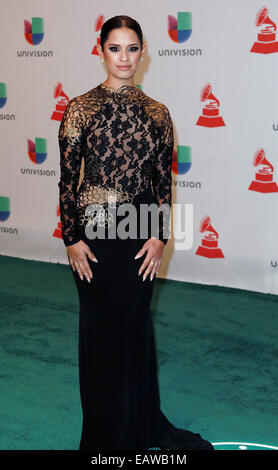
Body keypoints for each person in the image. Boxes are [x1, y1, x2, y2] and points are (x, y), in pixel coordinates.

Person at [58, 15, 214, 450]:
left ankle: (138, 427)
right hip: (93, 232)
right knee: (101, 330)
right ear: (101, 50)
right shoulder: (80, 108)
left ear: (143, 52)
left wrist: (159, 235)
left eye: (131, 48)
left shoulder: (158, 114)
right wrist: (72, 237)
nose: (123, 57)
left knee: (134, 327)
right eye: (114, 48)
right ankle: (106, 436)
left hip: (140, 229)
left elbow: (161, 184)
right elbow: (67, 180)